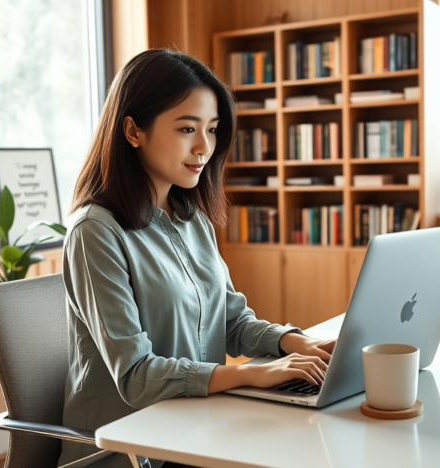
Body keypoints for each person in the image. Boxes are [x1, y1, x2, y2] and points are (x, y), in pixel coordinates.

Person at [58, 49, 336, 468]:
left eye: (212, 128)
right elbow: (136, 376)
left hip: (199, 429)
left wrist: (296, 343)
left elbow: (231, 321)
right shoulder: (95, 232)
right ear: (134, 131)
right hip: (130, 452)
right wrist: (249, 374)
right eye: (187, 128)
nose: (204, 146)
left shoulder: (192, 220)